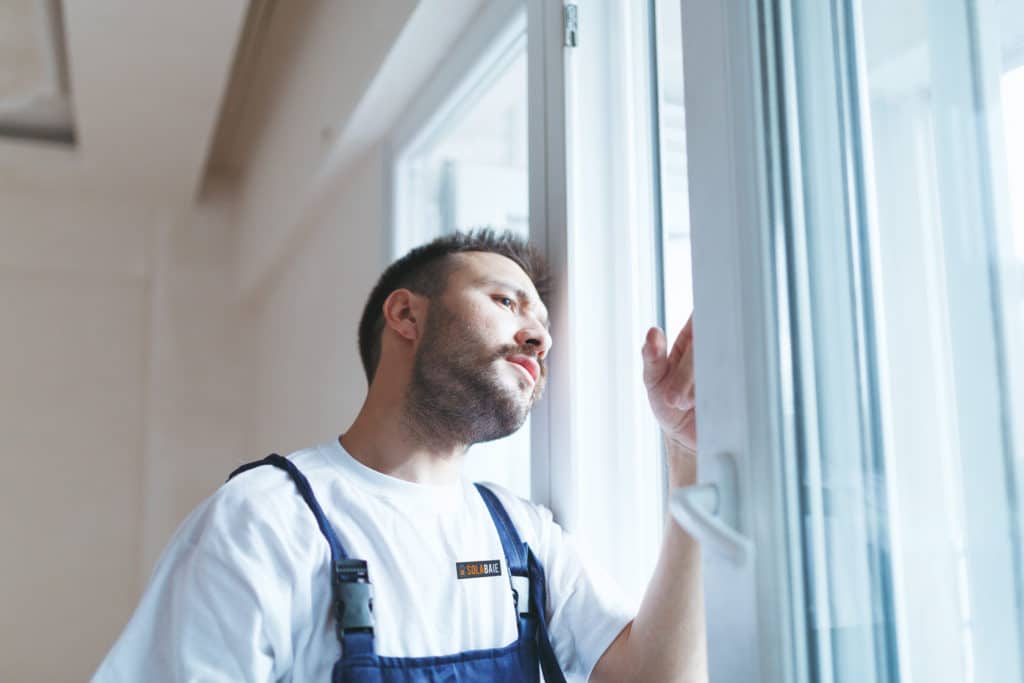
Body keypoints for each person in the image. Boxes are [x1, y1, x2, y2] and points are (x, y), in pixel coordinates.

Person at [94, 229, 705, 682]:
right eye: (505, 301)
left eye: (543, 323)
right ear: (406, 314)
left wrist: (686, 459)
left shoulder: (522, 536)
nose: (539, 336)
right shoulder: (266, 520)